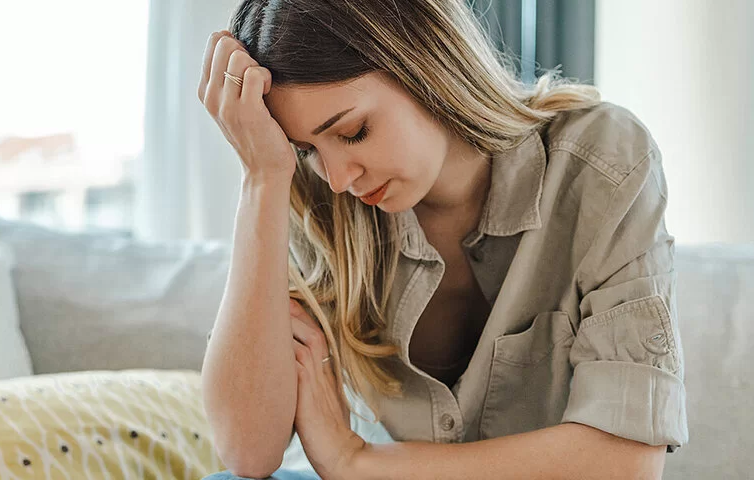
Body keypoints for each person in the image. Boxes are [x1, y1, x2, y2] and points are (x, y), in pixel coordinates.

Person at [198, 0, 687, 478]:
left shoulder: (602, 162)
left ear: (424, 64)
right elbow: (248, 453)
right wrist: (262, 176)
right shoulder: (322, 197)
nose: (338, 177)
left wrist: (355, 462)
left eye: (352, 132)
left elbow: (627, 465)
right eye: (308, 150)